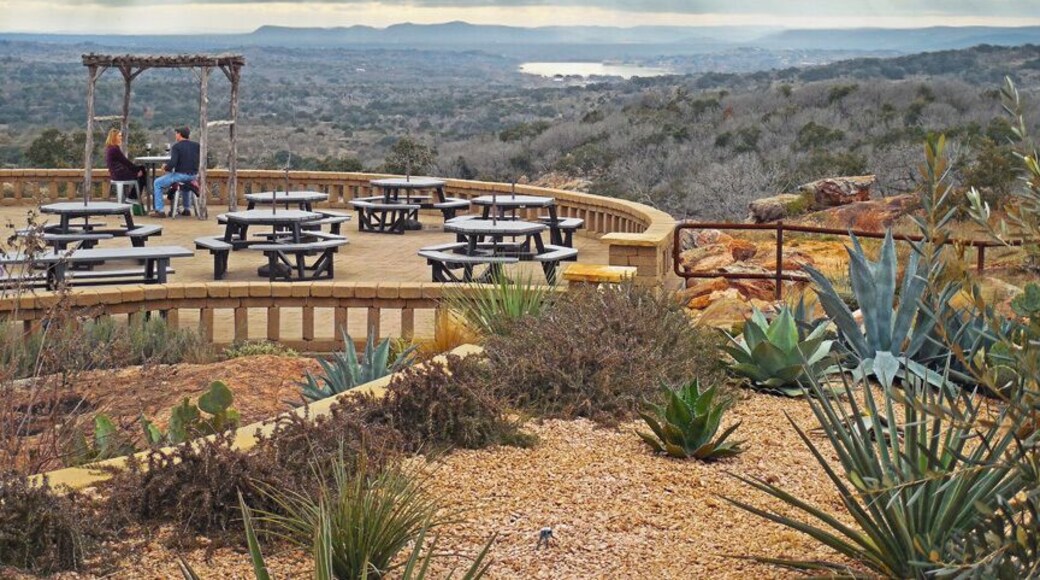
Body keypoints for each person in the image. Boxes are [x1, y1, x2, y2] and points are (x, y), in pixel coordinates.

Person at [150, 126, 200, 218]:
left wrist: (165, 168)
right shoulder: (197, 145)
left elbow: (173, 163)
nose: (175, 135)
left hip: (180, 175)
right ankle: (187, 209)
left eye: (176, 133)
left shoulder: (177, 146)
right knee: (185, 183)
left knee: (157, 183)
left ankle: (160, 210)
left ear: (179, 134)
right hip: (193, 176)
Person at [103, 129, 147, 200]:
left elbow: (125, 163)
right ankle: (132, 197)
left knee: (142, 169)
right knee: (142, 173)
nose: (121, 137)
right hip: (119, 174)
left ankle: (134, 196)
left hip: (117, 173)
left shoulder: (110, 148)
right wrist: (136, 171)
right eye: (119, 136)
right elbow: (125, 162)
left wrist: (136, 170)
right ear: (114, 137)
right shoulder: (114, 149)